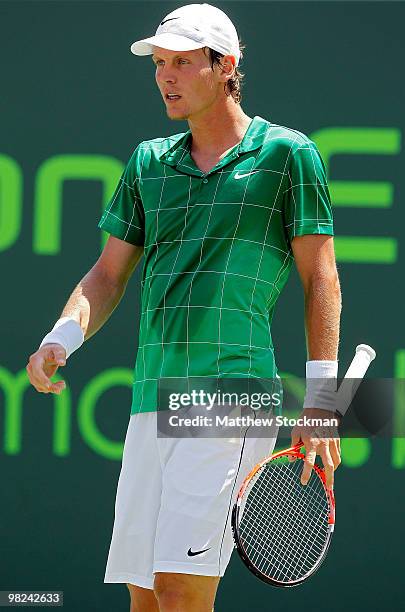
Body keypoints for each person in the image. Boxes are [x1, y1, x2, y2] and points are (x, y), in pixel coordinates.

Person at [26, 3, 342, 611]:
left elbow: (321, 278)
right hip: (152, 397)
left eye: (181, 63)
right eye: (159, 64)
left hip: (229, 396)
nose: (165, 77)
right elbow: (108, 274)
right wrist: (60, 339)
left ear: (225, 67)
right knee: (145, 597)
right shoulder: (149, 162)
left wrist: (325, 402)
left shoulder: (288, 155)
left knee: (181, 591)